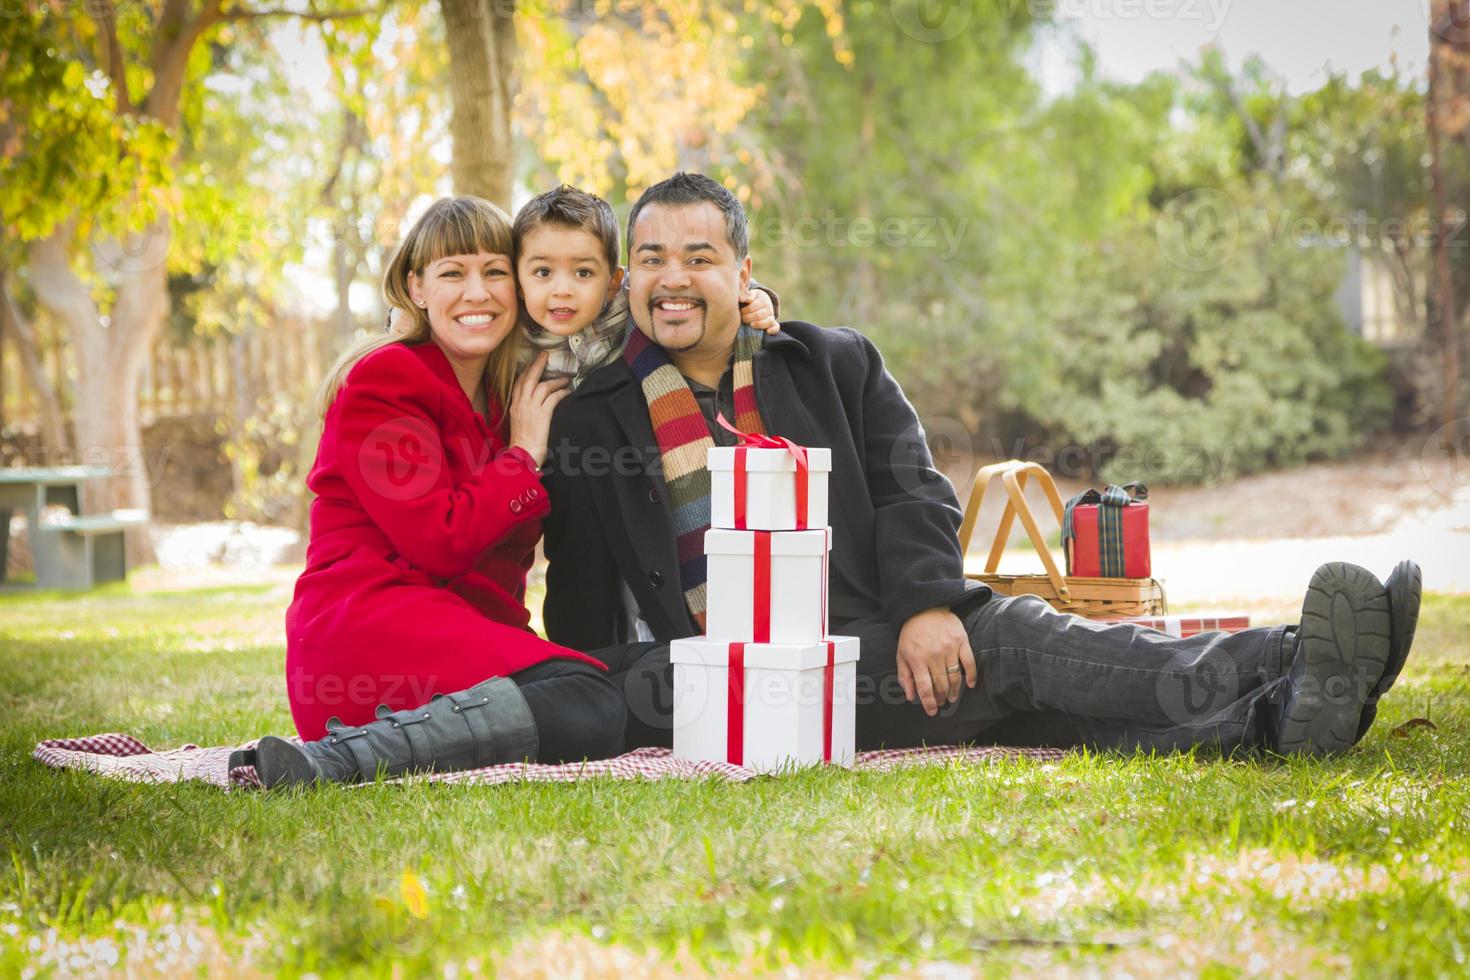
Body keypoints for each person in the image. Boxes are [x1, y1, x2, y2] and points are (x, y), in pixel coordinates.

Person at [541, 172, 1424, 758]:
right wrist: (637, 700)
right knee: (1011, 641)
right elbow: (581, 606)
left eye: (700, 257)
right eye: (652, 258)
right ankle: (1299, 657)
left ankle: (1284, 714)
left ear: (742, 273)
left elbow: (913, 491)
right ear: (626, 281)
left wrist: (926, 604)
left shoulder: (831, 360)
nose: (673, 279)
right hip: (754, 680)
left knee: (1039, 711)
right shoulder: (595, 417)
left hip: (879, 620)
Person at [245, 196, 628, 789]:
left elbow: (612, 313)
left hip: (464, 639)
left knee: (656, 675)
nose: (477, 293)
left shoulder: (511, 395)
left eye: (494, 272)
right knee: (592, 698)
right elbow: (440, 541)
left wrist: (746, 304)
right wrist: (523, 456)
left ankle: (357, 754)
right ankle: (332, 762)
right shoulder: (385, 379)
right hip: (370, 635)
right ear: (416, 288)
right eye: (453, 273)